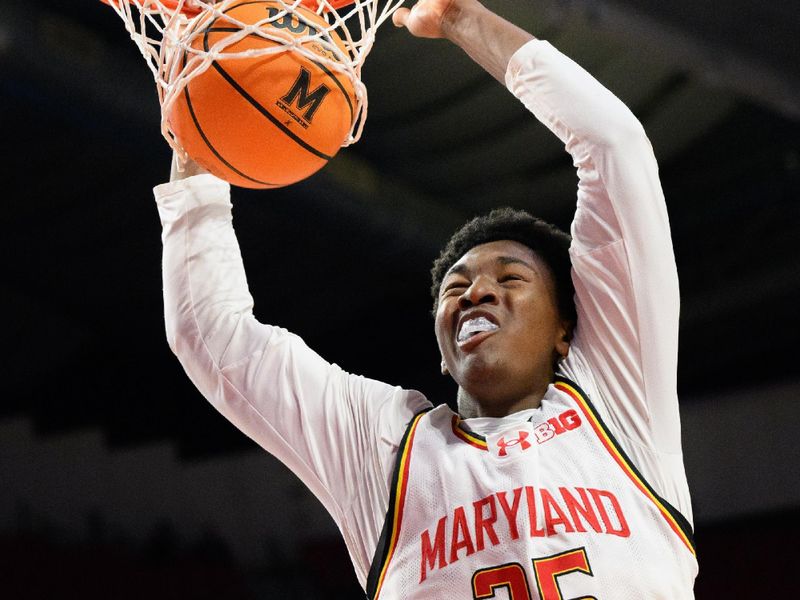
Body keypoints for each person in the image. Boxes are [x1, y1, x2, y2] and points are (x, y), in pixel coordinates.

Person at [153, 0, 698, 596]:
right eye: (455, 289)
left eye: (510, 279)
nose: (475, 293)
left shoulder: (620, 403)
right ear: (441, 350)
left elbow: (613, 145)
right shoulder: (385, 449)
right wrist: (199, 140)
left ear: (566, 329)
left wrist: (460, 17)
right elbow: (213, 336)